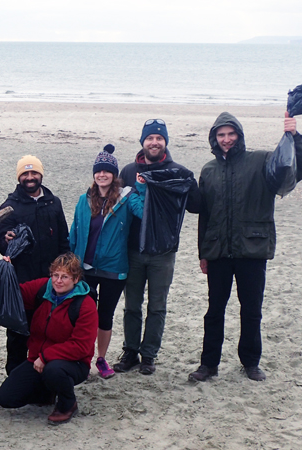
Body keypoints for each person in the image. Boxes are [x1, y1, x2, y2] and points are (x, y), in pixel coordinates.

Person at [189, 112, 302, 382]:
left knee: (251, 309)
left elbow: (291, 167)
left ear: (239, 135)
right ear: (214, 138)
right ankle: (209, 364)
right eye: (221, 135)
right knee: (214, 310)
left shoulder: (261, 160)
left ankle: (251, 362)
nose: (226, 139)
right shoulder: (208, 169)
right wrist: (203, 253)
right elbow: (204, 215)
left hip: (252, 250)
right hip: (218, 252)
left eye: (231, 134)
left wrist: (294, 137)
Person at [115, 119, 200, 375]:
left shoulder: (177, 171)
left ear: (165, 142)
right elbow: (116, 207)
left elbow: (196, 206)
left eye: (159, 138)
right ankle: (130, 351)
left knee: (157, 306)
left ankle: (149, 354)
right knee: (132, 305)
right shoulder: (129, 171)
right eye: (150, 138)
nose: (154, 142)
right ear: (143, 142)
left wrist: (190, 183)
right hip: (133, 250)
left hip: (163, 252)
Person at [69, 145, 144, 379]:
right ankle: (83, 357)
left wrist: (141, 187)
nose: (102, 175)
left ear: (114, 175)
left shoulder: (126, 198)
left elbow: (143, 213)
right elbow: (75, 231)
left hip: (114, 269)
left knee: (105, 316)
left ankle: (101, 359)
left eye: (107, 171)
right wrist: (72, 262)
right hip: (86, 269)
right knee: (83, 315)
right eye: (98, 171)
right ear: (94, 174)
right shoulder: (85, 199)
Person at [0, 252, 98, 425]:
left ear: (76, 279)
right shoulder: (43, 288)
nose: (58, 281)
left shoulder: (85, 305)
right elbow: (15, 293)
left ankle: (67, 404)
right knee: (6, 398)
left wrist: (45, 356)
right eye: (55, 275)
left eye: (65, 277)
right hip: (37, 359)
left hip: (74, 363)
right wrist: (6, 270)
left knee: (54, 370)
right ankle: (47, 392)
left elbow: (81, 346)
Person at [0, 155, 70, 374]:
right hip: (22, 282)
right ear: (19, 177)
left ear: (41, 175)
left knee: (50, 330)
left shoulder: (53, 202)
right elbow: (2, 244)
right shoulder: (9, 206)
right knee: (19, 332)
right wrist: (6, 238)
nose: (30, 177)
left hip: (52, 282)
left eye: (34, 173)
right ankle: (16, 376)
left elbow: (63, 241)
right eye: (25, 174)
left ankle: (45, 377)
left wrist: (65, 274)